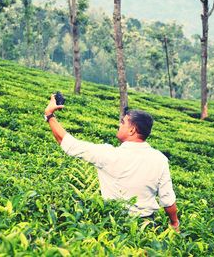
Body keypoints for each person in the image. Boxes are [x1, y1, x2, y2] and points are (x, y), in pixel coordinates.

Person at [44, 94, 180, 231]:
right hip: (147, 226)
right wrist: (174, 223)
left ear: (132, 130)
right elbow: (168, 200)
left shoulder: (109, 154)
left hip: (115, 223)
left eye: (123, 123)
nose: (119, 125)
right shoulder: (159, 159)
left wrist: (49, 115)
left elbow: (70, 144)